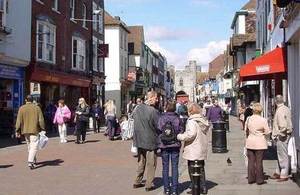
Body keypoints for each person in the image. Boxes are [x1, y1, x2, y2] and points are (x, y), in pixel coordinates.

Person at [177, 103, 210, 194]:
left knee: (192, 168)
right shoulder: (202, 120)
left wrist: (180, 136)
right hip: (201, 147)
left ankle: (195, 187)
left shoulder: (192, 121)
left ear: (190, 110)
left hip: (193, 148)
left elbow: (191, 134)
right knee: (201, 168)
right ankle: (203, 187)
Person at [132, 91, 159, 192]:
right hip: (150, 140)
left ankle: (137, 181)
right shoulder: (153, 111)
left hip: (139, 139)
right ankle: (149, 184)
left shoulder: (138, 108)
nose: (157, 100)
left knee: (141, 161)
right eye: (156, 98)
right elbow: (158, 125)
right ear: (151, 98)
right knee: (151, 163)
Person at [158, 100, 183, 195]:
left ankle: (166, 189)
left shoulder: (162, 118)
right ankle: (174, 190)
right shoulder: (177, 118)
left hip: (164, 145)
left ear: (166, 107)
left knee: (165, 167)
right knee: (175, 167)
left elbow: (159, 129)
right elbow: (181, 130)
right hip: (175, 145)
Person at [15, 95, 46, 169]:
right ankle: (30, 161)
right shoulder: (37, 108)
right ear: (32, 100)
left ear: (26, 100)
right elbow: (41, 120)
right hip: (34, 130)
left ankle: (33, 160)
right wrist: (43, 128)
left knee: (30, 146)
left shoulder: (21, 108)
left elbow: (18, 121)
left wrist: (17, 130)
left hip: (25, 130)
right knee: (34, 146)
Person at [244, 103, 271, 185]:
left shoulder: (248, 119)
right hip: (260, 143)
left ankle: (251, 179)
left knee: (251, 161)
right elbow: (267, 132)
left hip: (250, 142)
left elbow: (245, 130)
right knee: (259, 162)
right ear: (260, 110)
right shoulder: (263, 120)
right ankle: (259, 180)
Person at [270, 95, 293, 182]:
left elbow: (283, 126)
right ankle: (278, 172)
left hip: (282, 136)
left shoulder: (279, 110)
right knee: (280, 154)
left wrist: (279, 134)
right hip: (286, 134)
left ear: (276, 102)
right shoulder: (286, 108)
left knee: (283, 155)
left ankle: (284, 174)